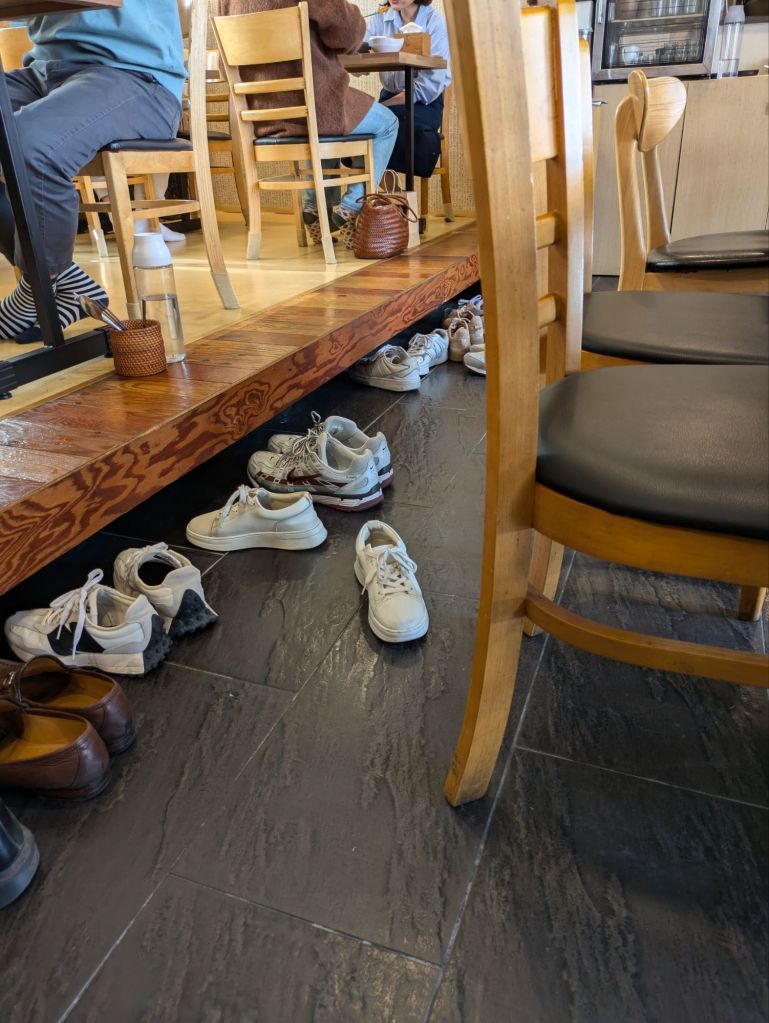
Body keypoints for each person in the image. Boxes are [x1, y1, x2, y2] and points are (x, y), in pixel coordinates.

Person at [0, 1, 186, 341]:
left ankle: (37, 287)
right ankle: (63, 281)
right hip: (45, 71)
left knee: (26, 146)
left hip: (136, 75)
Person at [218, 0, 398, 246]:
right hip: (316, 107)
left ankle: (315, 208)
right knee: (387, 124)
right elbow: (346, 33)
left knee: (326, 131)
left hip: (262, 117)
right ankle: (350, 207)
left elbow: (224, 66)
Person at [365, 0, 452, 179]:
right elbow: (358, 47)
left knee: (382, 126)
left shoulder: (434, 22)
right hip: (389, 97)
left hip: (424, 104)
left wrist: (381, 106)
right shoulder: (381, 16)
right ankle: (385, 189)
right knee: (360, 122)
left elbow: (428, 88)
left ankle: (382, 188)